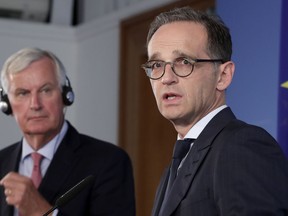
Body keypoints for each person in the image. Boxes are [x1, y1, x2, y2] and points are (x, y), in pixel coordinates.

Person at [141, 6, 288, 216]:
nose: (166, 77)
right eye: (156, 64)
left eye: (184, 62)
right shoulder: (171, 172)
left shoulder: (241, 146)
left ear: (223, 76)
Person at [0, 48, 135, 216]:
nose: (35, 104)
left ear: (66, 96)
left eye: (45, 90)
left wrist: (41, 211)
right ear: (6, 105)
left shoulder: (109, 161)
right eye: (23, 93)